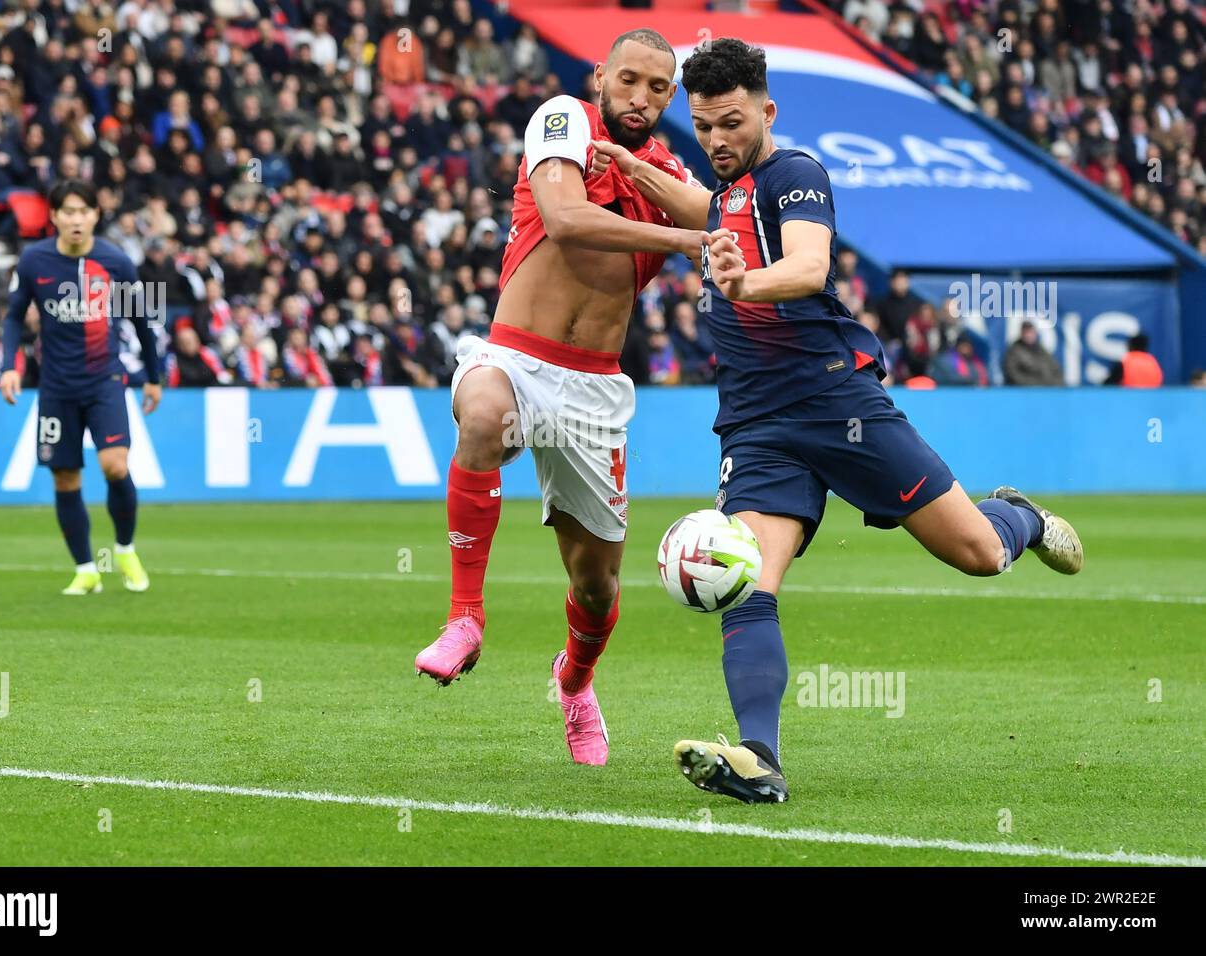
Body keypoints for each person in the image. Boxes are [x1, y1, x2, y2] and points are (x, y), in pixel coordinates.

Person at [595, 38, 1084, 803]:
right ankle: (759, 759)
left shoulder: (794, 175)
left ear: (767, 111)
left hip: (837, 405)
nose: (717, 140)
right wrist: (626, 166)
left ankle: (1016, 517)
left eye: (732, 122)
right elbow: (700, 206)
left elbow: (809, 267)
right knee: (746, 583)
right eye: (705, 125)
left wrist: (743, 281)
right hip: (756, 425)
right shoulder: (728, 189)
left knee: (980, 555)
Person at [412, 29, 709, 766]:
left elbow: (721, 216)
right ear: (601, 76)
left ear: (671, 96)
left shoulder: (663, 166)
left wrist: (662, 188)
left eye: (657, 88)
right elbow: (568, 218)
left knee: (599, 585)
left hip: (593, 390)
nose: (640, 98)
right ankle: (464, 618)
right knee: (481, 412)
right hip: (516, 356)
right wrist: (682, 237)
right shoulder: (563, 118)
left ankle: (574, 683)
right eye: (629, 80)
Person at [0, 180, 163, 596]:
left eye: (83, 211)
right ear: (53, 216)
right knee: (65, 479)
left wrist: (155, 377)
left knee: (115, 466)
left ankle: (124, 548)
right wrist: (9, 366)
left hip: (104, 380)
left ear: (95, 215)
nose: (75, 219)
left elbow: (142, 323)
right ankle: (86, 568)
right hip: (55, 387)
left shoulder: (116, 262)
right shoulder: (34, 262)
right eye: (67, 211)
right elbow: (14, 317)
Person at [1003, 321, 1064, 385]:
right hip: (1025, 390)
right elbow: (1013, 374)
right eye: (1026, 333)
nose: (1029, 335)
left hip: (1046, 389)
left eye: (1031, 332)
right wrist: (1035, 384)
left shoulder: (1042, 350)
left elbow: (1055, 369)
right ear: (1022, 334)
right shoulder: (1014, 351)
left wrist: (1054, 383)